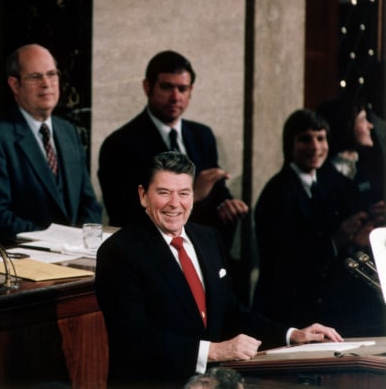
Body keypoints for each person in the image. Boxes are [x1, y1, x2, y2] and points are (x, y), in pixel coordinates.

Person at [95, 151, 342, 389]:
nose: (175, 204)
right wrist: (214, 350)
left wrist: (292, 334)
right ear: (143, 196)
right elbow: (134, 339)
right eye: (163, 193)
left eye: (184, 193)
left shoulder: (208, 238)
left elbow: (231, 312)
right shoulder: (119, 251)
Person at [97, 51, 249, 289]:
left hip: (200, 252)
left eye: (183, 88)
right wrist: (193, 195)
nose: (175, 97)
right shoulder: (120, 144)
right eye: (167, 87)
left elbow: (216, 191)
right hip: (150, 260)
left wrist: (225, 205)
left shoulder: (203, 135)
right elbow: (122, 213)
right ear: (147, 87)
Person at [252, 109, 386, 337]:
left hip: (324, 305)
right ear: (289, 144)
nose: (315, 147)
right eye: (305, 139)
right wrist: (337, 240)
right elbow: (285, 261)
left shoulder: (330, 182)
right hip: (288, 311)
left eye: (321, 138)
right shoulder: (277, 192)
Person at [0, 44, 102, 243]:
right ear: (15, 84)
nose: (46, 84)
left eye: (52, 74)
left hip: (76, 255)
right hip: (26, 259)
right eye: (35, 77)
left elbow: (89, 203)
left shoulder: (69, 132)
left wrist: (82, 242)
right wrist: (53, 239)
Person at [316, 96, 384, 207]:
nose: (370, 126)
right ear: (346, 125)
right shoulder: (322, 176)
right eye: (363, 119)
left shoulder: (366, 169)